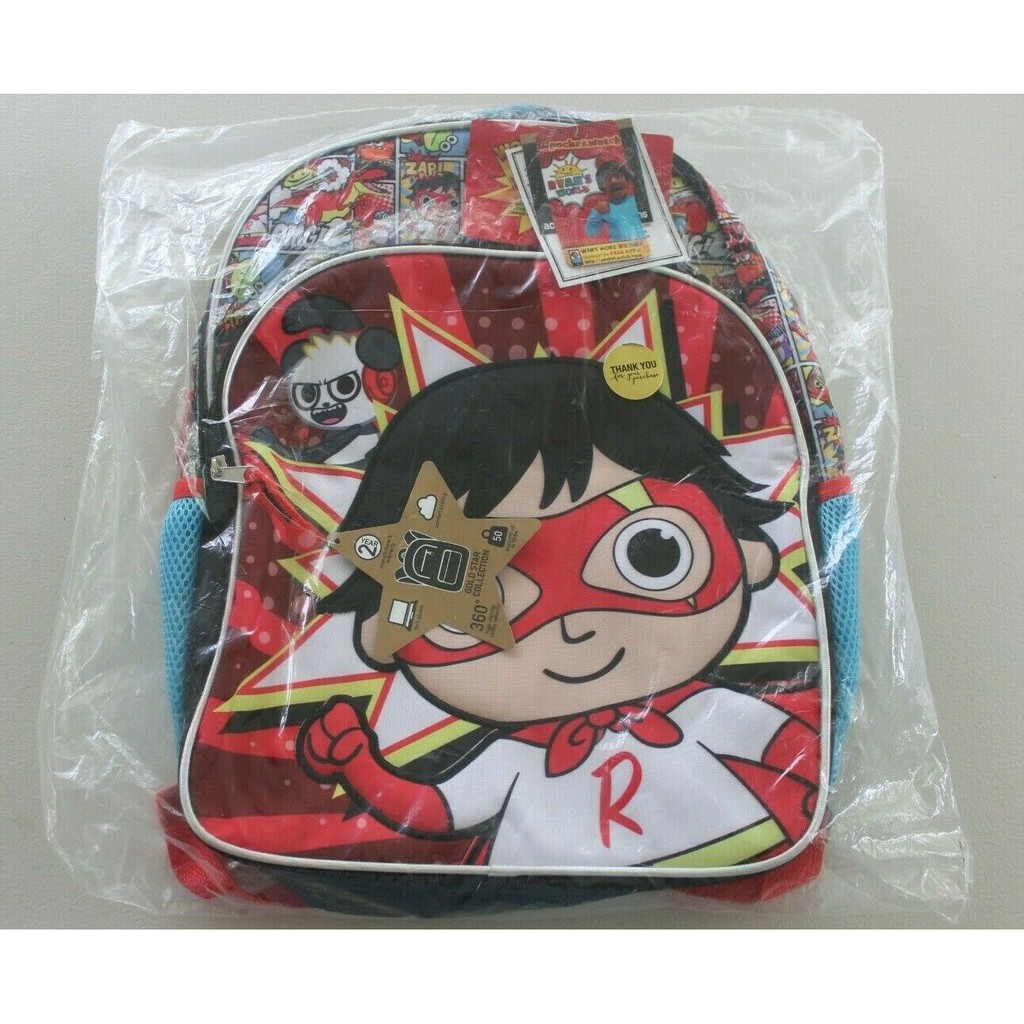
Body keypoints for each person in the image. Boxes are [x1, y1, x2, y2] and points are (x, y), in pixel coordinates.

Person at [296, 360, 819, 868]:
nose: (574, 629)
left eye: (654, 553)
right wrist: (357, 764)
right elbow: (437, 810)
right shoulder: (515, 757)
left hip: (727, 843)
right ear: (382, 632)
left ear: (749, 555)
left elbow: (787, 746)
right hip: (704, 854)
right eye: (476, 597)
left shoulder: (702, 710)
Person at [584, 160, 646, 242]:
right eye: (607, 179)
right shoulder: (603, 208)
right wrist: (596, 213)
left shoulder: (638, 201)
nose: (613, 181)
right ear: (601, 187)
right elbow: (591, 232)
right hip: (620, 248)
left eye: (618, 176)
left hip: (645, 245)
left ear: (628, 181)